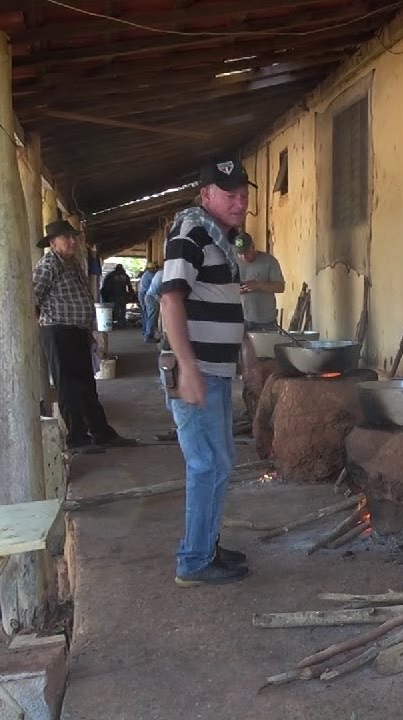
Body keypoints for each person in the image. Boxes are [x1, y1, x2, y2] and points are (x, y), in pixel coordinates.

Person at [159, 153, 261, 587]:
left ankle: (207, 546)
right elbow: (170, 301)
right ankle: (194, 560)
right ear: (205, 195)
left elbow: (221, 303)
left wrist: (246, 348)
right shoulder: (190, 234)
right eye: (229, 194)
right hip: (197, 369)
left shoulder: (220, 240)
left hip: (215, 369)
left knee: (220, 462)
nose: (239, 202)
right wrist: (187, 366)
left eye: (243, 195)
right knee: (205, 464)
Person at [31, 220, 138, 453]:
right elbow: (32, 297)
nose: (72, 241)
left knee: (86, 384)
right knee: (68, 387)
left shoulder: (72, 264)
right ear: (52, 243)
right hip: (58, 331)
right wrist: (46, 320)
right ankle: (77, 439)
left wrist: (87, 332)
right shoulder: (49, 264)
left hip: (76, 331)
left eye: (73, 237)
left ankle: (101, 433)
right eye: (66, 238)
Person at [235, 232, 285, 332]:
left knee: (266, 347)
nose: (244, 257)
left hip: (266, 321)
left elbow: (280, 287)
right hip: (240, 319)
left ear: (253, 247)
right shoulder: (233, 263)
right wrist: (235, 289)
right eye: (240, 254)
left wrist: (258, 285)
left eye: (246, 252)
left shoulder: (269, 261)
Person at [138, 263, 160, 343]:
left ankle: (146, 332)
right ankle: (148, 334)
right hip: (146, 294)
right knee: (149, 315)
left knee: (146, 314)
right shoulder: (150, 275)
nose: (155, 270)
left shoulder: (147, 274)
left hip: (145, 294)